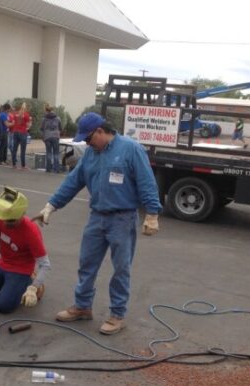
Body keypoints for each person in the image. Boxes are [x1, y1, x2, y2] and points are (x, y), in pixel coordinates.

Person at [37, 112, 161, 335]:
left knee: (121, 269)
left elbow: (146, 181)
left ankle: (117, 315)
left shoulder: (131, 149)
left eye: (88, 138)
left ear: (101, 131)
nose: (86, 143)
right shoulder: (91, 154)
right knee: (87, 263)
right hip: (97, 217)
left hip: (122, 218)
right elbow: (73, 181)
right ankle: (82, 306)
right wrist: (51, 205)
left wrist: (152, 213)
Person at [40, 104, 62, 173]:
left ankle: (48, 168)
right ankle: (56, 169)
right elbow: (60, 127)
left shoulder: (44, 119)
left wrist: (43, 136)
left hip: (47, 136)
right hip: (55, 136)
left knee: (48, 152)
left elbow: (42, 128)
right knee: (56, 153)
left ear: (46, 110)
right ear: (52, 110)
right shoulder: (58, 118)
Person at [11, 102, 32, 169]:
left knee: (14, 149)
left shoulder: (15, 114)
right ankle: (23, 165)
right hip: (23, 132)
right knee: (23, 150)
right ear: (26, 108)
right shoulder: (26, 115)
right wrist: (30, 122)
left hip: (15, 132)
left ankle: (14, 164)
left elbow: (13, 123)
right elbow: (28, 126)